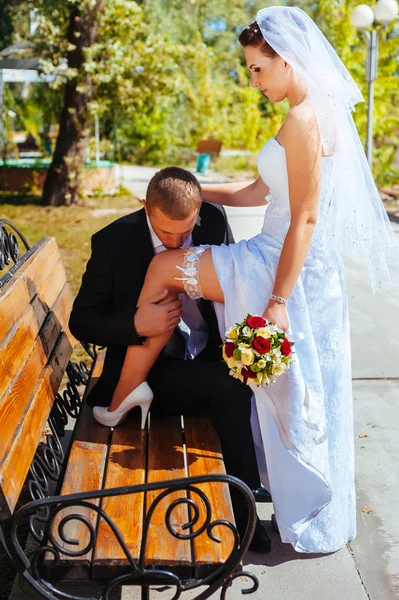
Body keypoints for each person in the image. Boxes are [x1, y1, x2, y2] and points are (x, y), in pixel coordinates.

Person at [95, 7, 399, 554]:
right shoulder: (307, 113)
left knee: (164, 267)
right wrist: (193, 189)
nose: (254, 81)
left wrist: (279, 300)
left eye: (258, 69)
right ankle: (134, 391)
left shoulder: (305, 120)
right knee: (295, 385)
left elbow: (304, 217)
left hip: (281, 265)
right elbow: (258, 194)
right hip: (285, 257)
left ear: (286, 58)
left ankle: (123, 390)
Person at [69, 166, 271, 553]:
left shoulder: (212, 219)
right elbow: (82, 322)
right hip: (150, 371)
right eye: (166, 233)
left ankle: (251, 488)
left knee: (242, 375)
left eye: (186, 230)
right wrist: (135, 323)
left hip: (206, 352)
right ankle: (245, 515)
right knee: (228, 386)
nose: (179, 241)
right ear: (145, 207)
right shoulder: (114, 241)